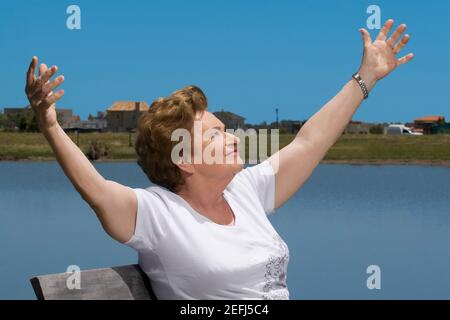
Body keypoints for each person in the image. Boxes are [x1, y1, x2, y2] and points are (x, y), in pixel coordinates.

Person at [24, 19, 413, 299]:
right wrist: (50, 124)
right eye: (215, 133)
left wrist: (365, 79)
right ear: (185, 160)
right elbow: (96, 190)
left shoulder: (244, 192)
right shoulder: (157, 215)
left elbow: (309, 141)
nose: (231, 137)